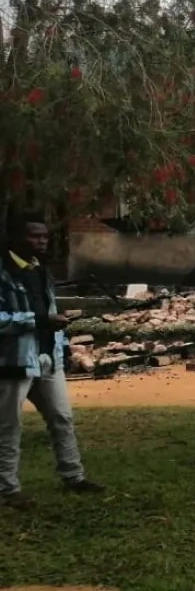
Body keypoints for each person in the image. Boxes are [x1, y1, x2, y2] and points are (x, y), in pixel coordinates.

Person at [0, 213, 104, 510]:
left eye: (44, 236)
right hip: (13, 361)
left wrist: (64, 345)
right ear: (16, 238)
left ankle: (73, 476)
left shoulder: (41, 269)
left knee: (62, 418)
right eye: (35, 235)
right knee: (8, 426)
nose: (42, 240)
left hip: (47, 357)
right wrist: (38, 320)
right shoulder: (4, 272)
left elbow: (51, 309)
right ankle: (8, 489)